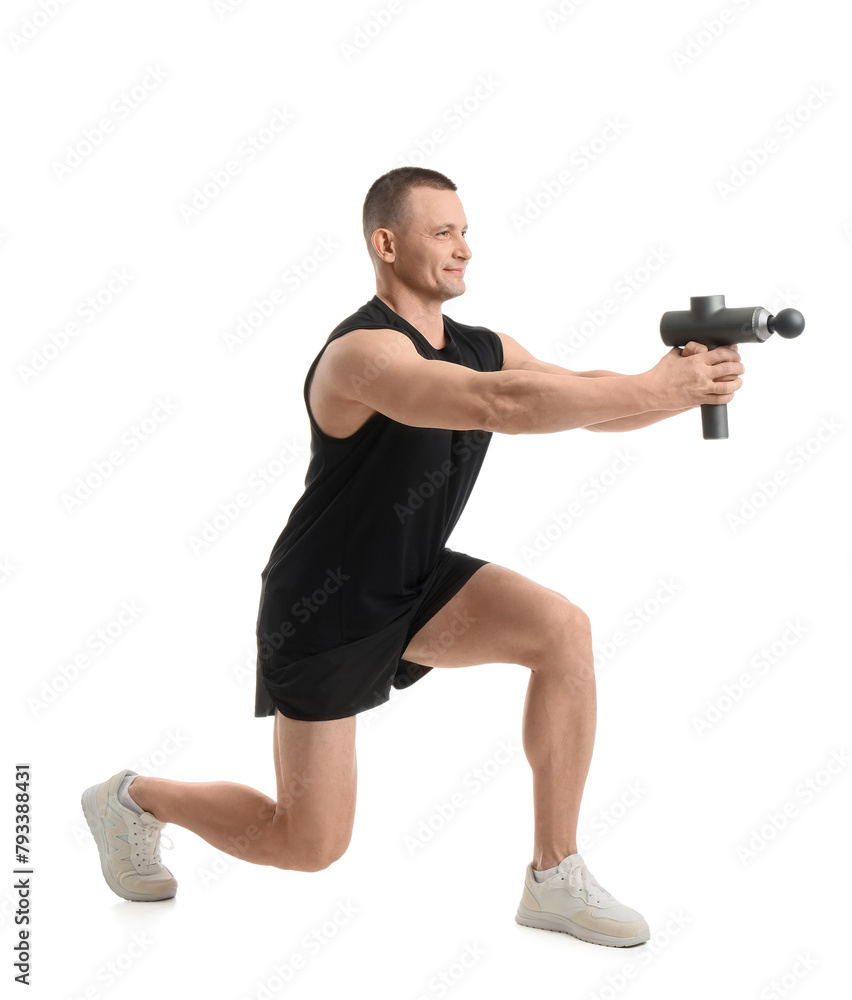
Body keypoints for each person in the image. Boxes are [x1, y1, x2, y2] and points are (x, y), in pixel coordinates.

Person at [81, 166, 743, 947]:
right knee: (308, 842)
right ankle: (133, 799)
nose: (464, 246)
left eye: (465, 229)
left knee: (562, 631)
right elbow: (499, 405)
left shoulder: (479, 343)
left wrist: (680, 390)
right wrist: (661, 389)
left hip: (418, 579)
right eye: (443, 232)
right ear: (386, 243)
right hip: (325, 604)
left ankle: (553, 877)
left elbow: (583, 397)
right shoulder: (361, 354)